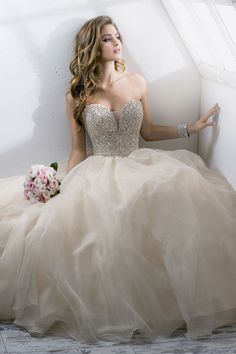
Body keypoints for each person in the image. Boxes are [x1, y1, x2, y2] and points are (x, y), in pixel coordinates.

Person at [0, 15, 235, 345]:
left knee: (168, 201)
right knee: (93, 237)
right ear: (93, 46)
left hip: (139, 164)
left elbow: (148, 132)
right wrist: (61, 186)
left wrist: (190, 129)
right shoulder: (77, 95)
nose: (117, 42)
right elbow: (78, 150)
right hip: (97, 173)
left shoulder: (137, 82)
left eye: (117, 36)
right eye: (108, 38)